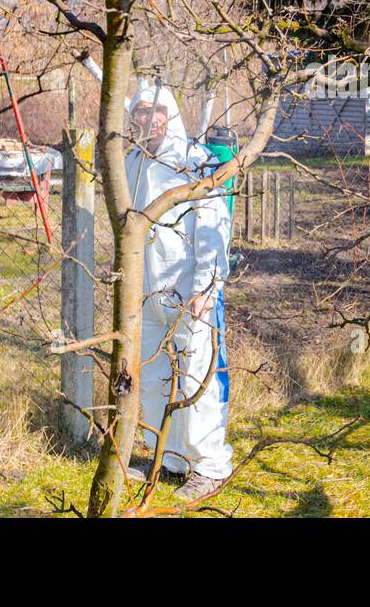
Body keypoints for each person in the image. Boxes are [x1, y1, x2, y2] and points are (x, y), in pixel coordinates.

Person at [123, 95, 233, 501]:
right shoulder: (133, 164)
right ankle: (167, 459)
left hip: (191, 292)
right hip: (148, 293)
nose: (150, 120)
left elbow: (213, 227)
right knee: (154, 378)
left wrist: (206, 287)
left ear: (171, 114)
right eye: (141, 112)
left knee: (197, 376)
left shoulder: (194, 161)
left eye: (157, 111)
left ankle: (210, 466)